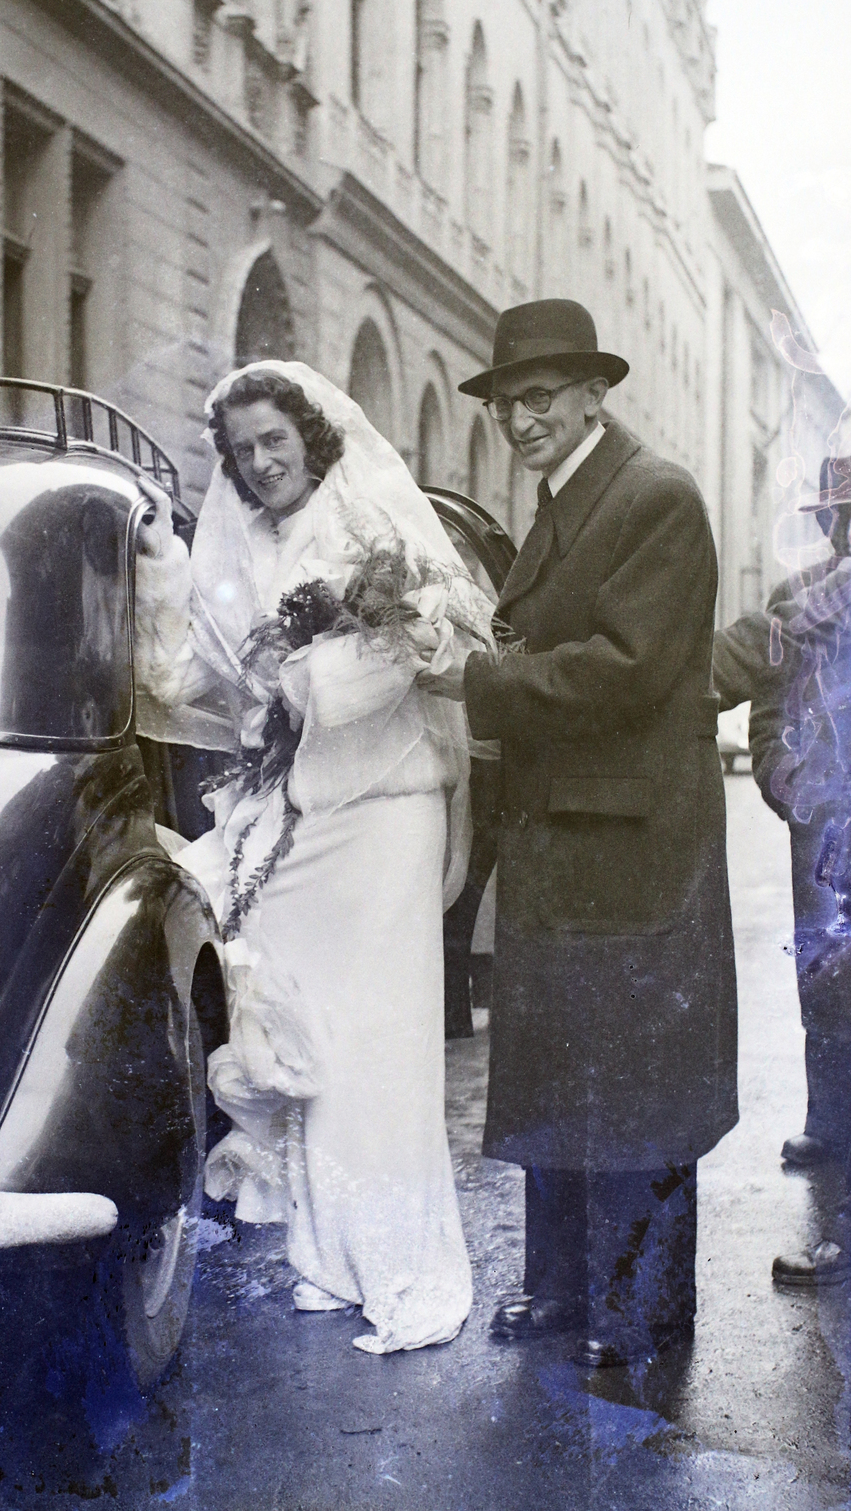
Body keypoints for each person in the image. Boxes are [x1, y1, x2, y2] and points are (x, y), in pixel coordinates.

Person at [133, 360, 495, 1355]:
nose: (260, 462)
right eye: (242, 449)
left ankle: (400, 1262)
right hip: (299, 821)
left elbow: (438, 640)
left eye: (274, 440)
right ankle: (330, 1259)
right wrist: (163, 567)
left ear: (311, 434)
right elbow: (184, 677)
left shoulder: (369, 515)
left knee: (380, 1050)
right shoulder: (244, 542)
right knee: (312, 1046)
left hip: (382, 813)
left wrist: (310, 676)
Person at [421, 298, 739, 1367]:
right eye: (506, 403)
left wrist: (476, 677)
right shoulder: (571, 498)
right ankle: (561, 1289)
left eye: (540, 397)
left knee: (636, 1082)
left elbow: (624, 672)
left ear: (594, 394)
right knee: (558, 1067)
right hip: (569, 842)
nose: (520, 420)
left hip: (633, 850)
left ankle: (638, 1309)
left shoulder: (653, 496)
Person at [713, 454, 851, 1288]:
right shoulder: (796, 601)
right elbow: (766, 718)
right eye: (838, 513)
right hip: (821, 838)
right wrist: (789, 786)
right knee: (824, 994)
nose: (844, 526)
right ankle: (827, 1126)